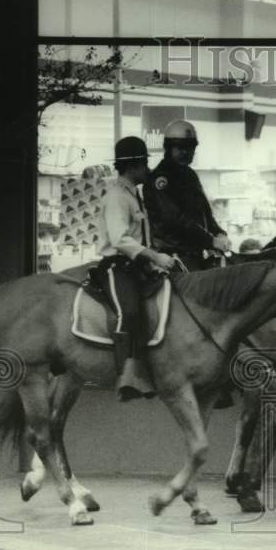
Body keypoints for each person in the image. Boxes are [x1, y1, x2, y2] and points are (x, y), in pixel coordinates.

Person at [96, 136, 179, 402]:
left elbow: (140, 234)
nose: (147, 169)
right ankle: (126, 377)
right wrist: (155, 256)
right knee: (129, 312)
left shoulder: (134, 195)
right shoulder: (117, 197)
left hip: (140, 265)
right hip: (118, 266)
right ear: (132, 166)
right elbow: (120, 239)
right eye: (144, 164)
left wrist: (158, 254)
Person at [145, 119, 232, 272]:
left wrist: (219, 233)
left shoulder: (190, 175)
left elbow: (205, 213)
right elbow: (175, 220)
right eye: (181, 148)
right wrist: (211, 240)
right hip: (172, 256)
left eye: (190, 148)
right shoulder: (160, 180)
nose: (186, 152)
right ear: (168, 148)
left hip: (195, 252)